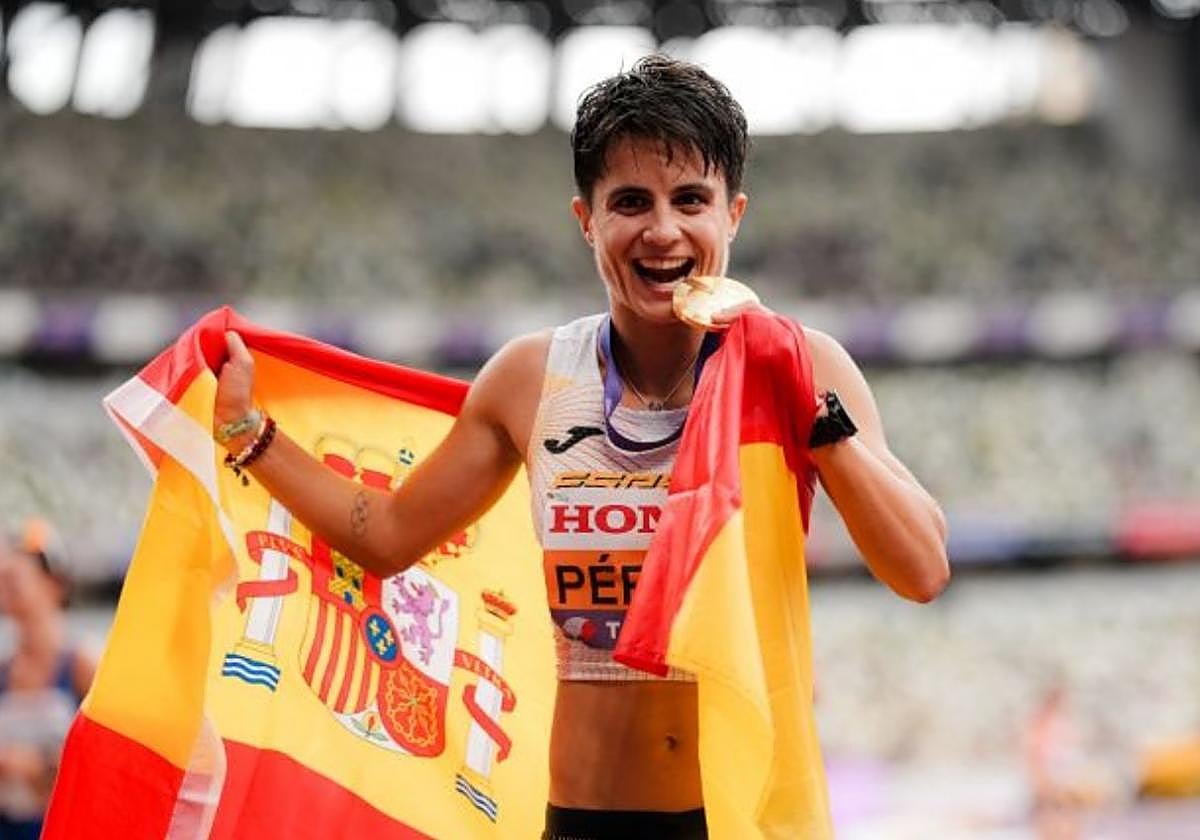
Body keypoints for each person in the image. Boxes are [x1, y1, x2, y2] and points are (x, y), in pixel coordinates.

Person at [213, 55, 949, 839]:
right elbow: (386, 536)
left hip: (739, 818)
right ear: (587, 220)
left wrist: (809, 408)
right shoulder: (532, 379)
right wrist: (248, 433)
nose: (662, 230)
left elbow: (922, 568)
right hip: (582, 821)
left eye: (690, 200)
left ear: (732, 215)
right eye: (631, 201)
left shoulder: (804, 366)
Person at [0, 520, 96, 840]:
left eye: (19, 571)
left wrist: (38, 766)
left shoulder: (82, 665)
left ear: (53, 582)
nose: (8, 578)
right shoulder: (6, 671)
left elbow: (104, 760)